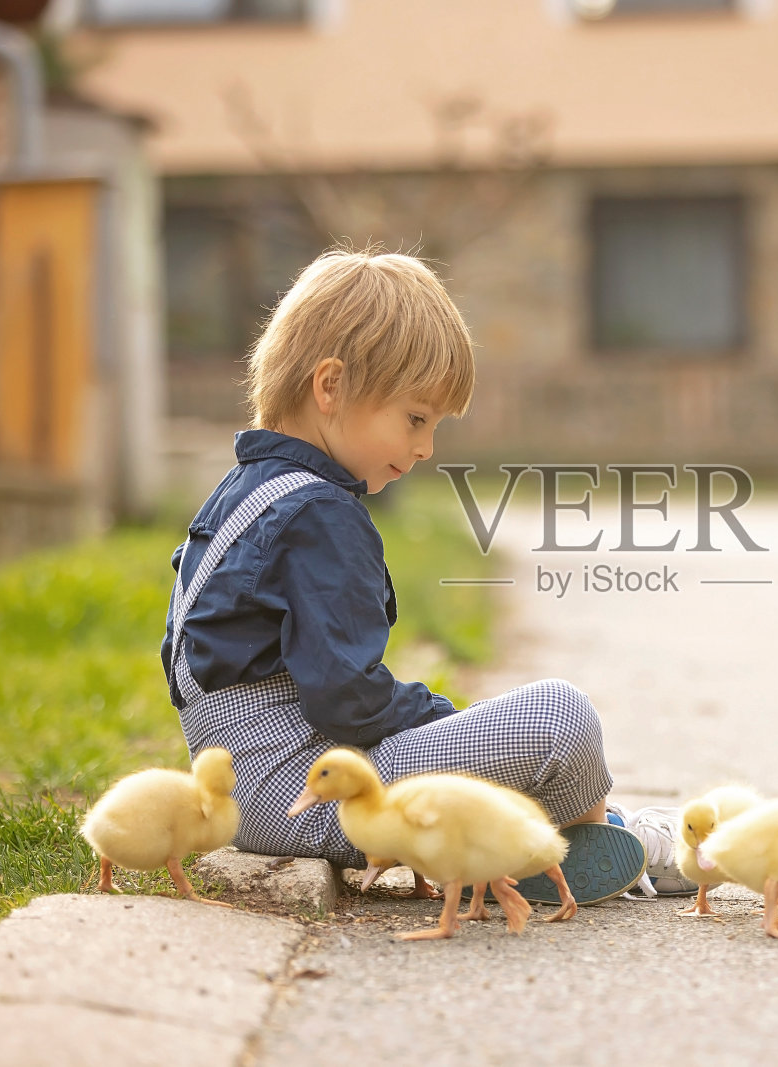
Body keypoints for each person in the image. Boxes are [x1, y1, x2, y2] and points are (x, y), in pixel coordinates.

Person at [162, 249, 692, 903]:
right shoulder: (318, 512)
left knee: (504, 734)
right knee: (562, 718)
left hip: (246, 791)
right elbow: (349, 698)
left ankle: (561, 840)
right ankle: (604, 836)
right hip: (312, 793)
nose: (425, 447)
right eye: (415, 419)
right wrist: (448, 720)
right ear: (329, 387)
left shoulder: (242, 495)